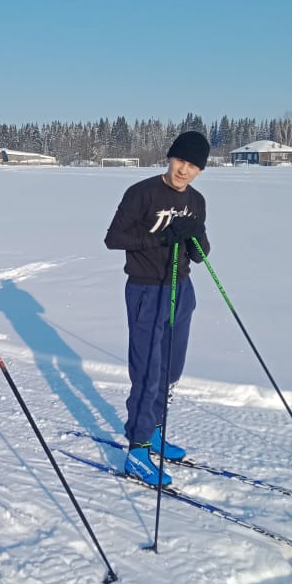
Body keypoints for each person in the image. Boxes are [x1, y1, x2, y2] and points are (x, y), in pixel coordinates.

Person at [104, 130, 211, 485]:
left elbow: (200, 250)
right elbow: (113, 238)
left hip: (182, 290)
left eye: (193, 166)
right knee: (148, 372)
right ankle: (138, 448)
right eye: (180, 161)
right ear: (170, 158)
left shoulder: (197, 200)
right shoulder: (142, 193)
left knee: (170, 371)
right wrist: (161, 237)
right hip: (146, 291)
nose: (184, 170)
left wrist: (194, 236)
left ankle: (156, 433)